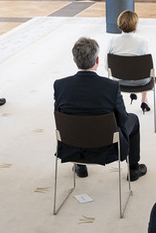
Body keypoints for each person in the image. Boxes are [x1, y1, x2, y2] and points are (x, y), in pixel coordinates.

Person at [53, 36, 146, 181]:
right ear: (97, 60)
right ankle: (133, 168)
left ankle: (80, 165)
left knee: (75, 120)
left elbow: (60, 118)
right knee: (133, 119)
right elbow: (122, 119)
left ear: (74, 60)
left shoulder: (60, 86)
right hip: (107, 147)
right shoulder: (111, 87)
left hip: (72, 146)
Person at [108, 9, 151, 113]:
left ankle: (128, 97)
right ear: (136, 25)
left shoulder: (112, 41)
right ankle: (144, 100)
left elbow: (107, 66)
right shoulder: (143, 42)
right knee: (146, 72)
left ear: (119, 23)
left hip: (119, 80)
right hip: (141, 81)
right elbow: (148, 68)